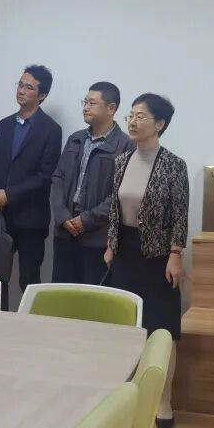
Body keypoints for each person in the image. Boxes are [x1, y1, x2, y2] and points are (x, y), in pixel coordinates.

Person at [104, 93, 188, 428]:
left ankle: (164, 400)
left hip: (158, 256)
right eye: (131, 115)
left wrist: (176, 255)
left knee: (163, 330)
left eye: (141, 116)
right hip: (124, 252)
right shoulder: (121, 161)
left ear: (160, 124)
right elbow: (114, 209)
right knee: (128, 328)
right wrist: (111, 244)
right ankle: (126, 397)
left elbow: (179, 214)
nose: (133, 121)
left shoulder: (174, 164)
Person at [0, 65, 63, 309]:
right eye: (20, 84)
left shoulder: (51, 130)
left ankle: (31, 327)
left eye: (29, 87)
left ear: (42, 95)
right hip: (1, 217)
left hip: (31, 219)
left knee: (28, 280)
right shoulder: (4, 125)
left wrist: (10, 195)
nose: (21, 90)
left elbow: (45, 176)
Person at [50, 82, 132, 285]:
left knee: (92, 298)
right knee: (61, 294)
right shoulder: (75, 139)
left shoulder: (125, 145)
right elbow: (58, 177)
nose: (85, 107)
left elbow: (120, 194)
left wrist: (86, 220)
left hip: (97, 238)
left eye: (92, 103)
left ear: (111, 108)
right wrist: (62, 216)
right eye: (84, 102)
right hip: (65, 233)